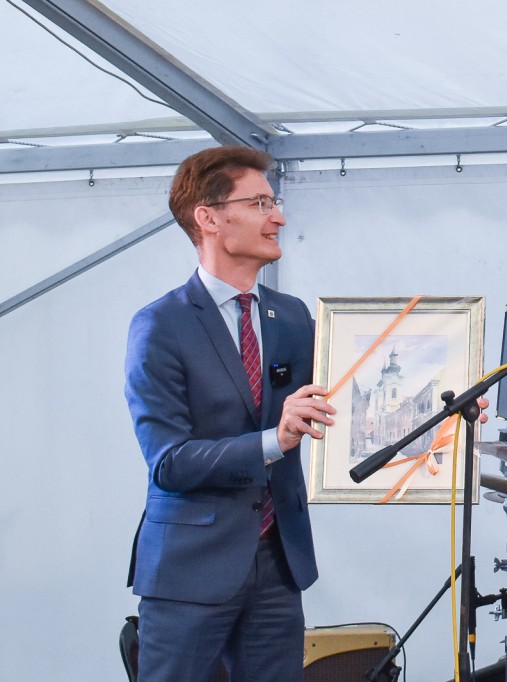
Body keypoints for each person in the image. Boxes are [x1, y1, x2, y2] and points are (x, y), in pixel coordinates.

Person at [124, 146, 336, 681]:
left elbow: (353, 390)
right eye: (261, 202)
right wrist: (273, 441)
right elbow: (169, 462)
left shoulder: (292, 317)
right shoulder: (160, 325)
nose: (278, 217)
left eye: (275, 202)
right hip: (189, 570)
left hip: (279, 564)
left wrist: (447, 398)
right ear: (209, 218)